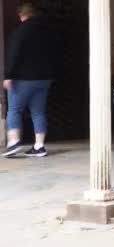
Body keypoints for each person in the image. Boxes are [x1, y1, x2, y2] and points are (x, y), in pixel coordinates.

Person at [2, 2, 59, 158]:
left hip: (23, 79)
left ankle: (13, 142)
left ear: (22, 15)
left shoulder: (20, 31)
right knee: (38, 112)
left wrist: (8, 75)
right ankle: (39, 146)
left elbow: (14, 55)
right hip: (44, 79)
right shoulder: (48, 32)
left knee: (14, 110)